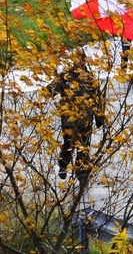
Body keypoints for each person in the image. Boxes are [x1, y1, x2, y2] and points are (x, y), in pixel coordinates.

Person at [46, 48, 105, 181]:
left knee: (83, 147)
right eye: (76, 60)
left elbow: (96, 99)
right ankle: (63, 165)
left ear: (85, 61)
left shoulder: (90, 78)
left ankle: (82, 175)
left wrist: (99, 116)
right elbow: (50, 91)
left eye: (81, 60)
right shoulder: (65, 75)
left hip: (85, 119)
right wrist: (51, 86)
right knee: (68, 143)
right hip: (69, 119)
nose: (78, 63)